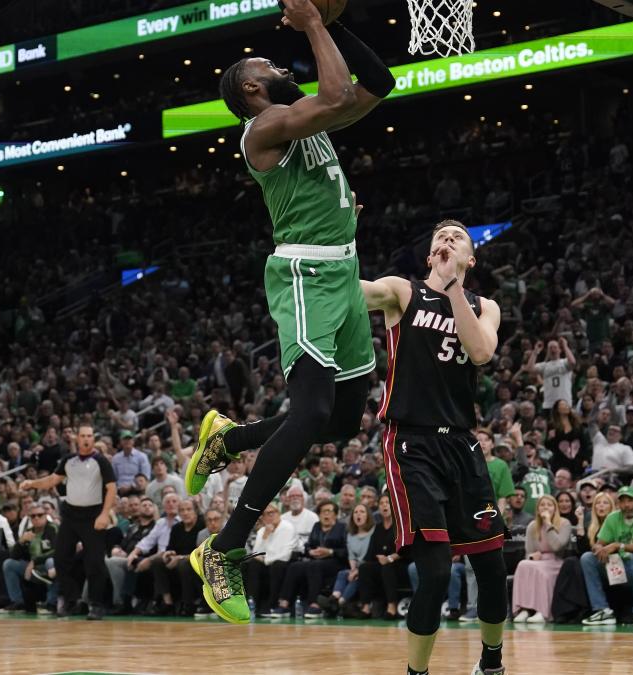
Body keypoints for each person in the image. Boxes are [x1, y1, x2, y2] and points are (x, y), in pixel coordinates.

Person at [184, 0, 396, 625]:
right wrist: (313, 24)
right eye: (271, 66)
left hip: (343, 269)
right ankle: (222, 550)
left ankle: (231, 438)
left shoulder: (309, 123)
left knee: (338, 421)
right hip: (304, 273)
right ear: (254, 87)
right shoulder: (264, 129)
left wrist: (333, 24)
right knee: (307, 414)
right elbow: (333, 94)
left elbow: (377, 85)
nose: (283, 67)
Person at [360, 220, 508, 675]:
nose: (446, 240)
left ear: (471, 257)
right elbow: (357, 290)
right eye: (439, 238)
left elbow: (481, 352)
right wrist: (335, 239)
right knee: (438, 572)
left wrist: (455, 289)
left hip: (462, 445)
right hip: (412, 443)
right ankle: (417, 673)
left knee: (491, 565)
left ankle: (492, 663)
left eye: (457, 237)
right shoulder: (403, 292)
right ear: (429, 256)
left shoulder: (485, 306)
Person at [19, 425, 117, 620]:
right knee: (61, 558)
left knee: (95, 562)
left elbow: (112, 488)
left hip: (93, 515)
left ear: (93, 438)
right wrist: (32, 484)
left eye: (90, 435)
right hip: (71, 515)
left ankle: (97, 605)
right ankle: (72, 599)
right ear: (77, 439)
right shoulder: (68, 460)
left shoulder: (101, 461)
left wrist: (105, 514)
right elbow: (51, 481)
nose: (86, 439)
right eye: (83, 436)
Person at [579, 486, 633, 626]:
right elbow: (599, 543)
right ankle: (602, 610)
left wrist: (618, 545)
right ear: (618, 504)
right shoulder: (613, 517)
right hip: (624, 567)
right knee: (587, 558)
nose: (626, 505)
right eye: (622, 501)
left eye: (630, 501)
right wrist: (599, 549)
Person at [511, 494, 571, 623]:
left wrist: (548, 524)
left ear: (555, 508)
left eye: (549, 505)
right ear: (537, 509)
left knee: (540, 571)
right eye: (542, 505)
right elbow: (529, 552)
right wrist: (532, 556)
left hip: (556, 561)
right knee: (523, 564)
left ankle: (543, 612)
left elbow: (557, 546)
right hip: (538, 561)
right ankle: (524, 609)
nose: (545, 507)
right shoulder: (532, 526)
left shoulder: (564, 523)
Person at [0, 505, 59, 613]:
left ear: (46, 516)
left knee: (51, 562)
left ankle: (51, 603)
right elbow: (14, 556)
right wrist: (21, 542)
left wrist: (34, 561)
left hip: (48, 567)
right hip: (32, 570)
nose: (36, 518)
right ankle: (18, 603)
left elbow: (57, 551)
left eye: (40, 515)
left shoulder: (53, 528)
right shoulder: (28, 532)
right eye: (33, 516)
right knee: (8, 564)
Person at [247, 503, 297, 618]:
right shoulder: (262, 531)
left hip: (284, 563)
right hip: (268, 562)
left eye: (271, 513)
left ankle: (272, 604)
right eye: (265, 515)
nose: (268, 516)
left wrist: (266, 560)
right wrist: (265, 536)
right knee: (253, 565)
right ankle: (253, 603)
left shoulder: (287, 528)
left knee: (277, 565)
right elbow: (255, 554)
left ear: (278, 513)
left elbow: (285, 555)